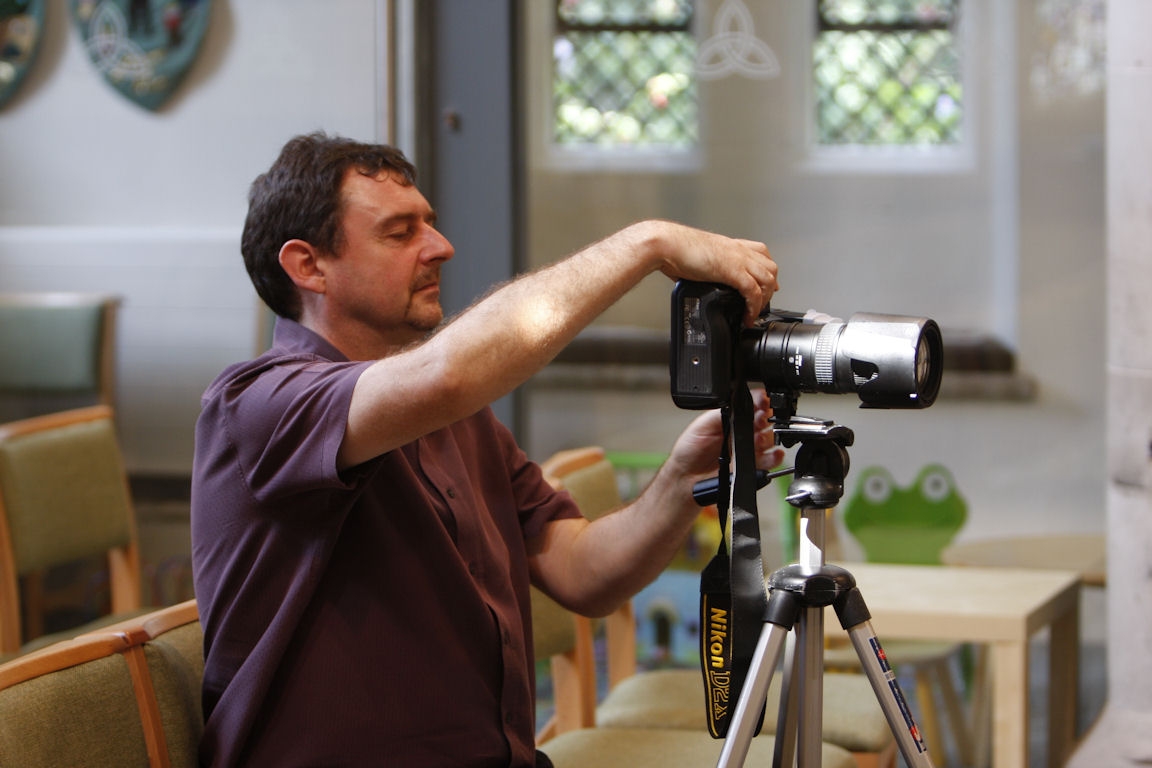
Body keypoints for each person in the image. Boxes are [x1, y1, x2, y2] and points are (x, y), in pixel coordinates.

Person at [190, 132, 782, 768]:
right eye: (400, 232)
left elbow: (583, 572)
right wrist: (650, 242)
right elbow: (447, 373)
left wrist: (682, 480)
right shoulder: (257, 404)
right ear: (309, 266)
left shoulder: (456, 419)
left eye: (429, 224)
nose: (439, 247)